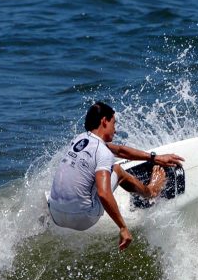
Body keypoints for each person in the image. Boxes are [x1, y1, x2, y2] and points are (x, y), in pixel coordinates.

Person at [48, 102, 184, 250]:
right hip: (83, 218)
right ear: (104, 121)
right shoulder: (103, 152)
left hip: (55, 214)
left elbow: (120, 151)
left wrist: (153, 158)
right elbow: (103, 193)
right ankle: (151, 191)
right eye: (114, 123)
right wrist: (122, 227)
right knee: (117, 170)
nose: (116, 130)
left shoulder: (79, 140)